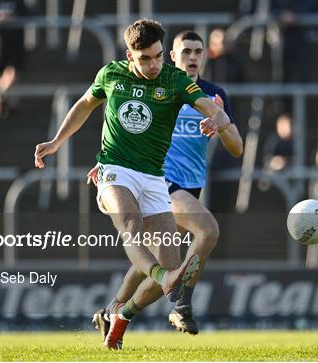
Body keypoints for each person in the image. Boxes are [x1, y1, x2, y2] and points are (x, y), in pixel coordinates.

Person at [34, 19, 232, 349]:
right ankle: (160, 277)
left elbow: (217, 111)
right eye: (145, 59)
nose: (154, 65)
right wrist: (56, 142)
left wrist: (217, 120)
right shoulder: (111, 74)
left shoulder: (175, 79)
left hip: (154, 178)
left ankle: (120, 313)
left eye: (157, 57)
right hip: (115, 169)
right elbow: (85, 104)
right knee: (130, 223)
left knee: (171, 263)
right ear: (130, 55)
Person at [89, 30, 243, 343]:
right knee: (208, 231)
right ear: (171, 56)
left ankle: (116, 311)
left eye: (198, 52)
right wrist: (112, 162)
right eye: (185, 51)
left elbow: (237, 148)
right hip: (162, 183)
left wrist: (220, 123)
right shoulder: (164, 84)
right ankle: (182, 303)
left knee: (157, 262)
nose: (193, 57)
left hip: (191, 187)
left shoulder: (213, 94)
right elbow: (126, 121)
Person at [0, 0, 31, 118]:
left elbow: (30, 14)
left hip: (16, 45)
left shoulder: (18, 2)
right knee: (5, 80)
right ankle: (3, 105)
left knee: (13, 74)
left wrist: (14, 17)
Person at [258, 112, 293, 191]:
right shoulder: (273, 141)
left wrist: (286, 161)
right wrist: (276, 162)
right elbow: (266, 160)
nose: (288, 128)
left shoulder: (296, 142)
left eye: (289, 125)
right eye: (285, 125)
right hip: (275, 177)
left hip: (292, 175)